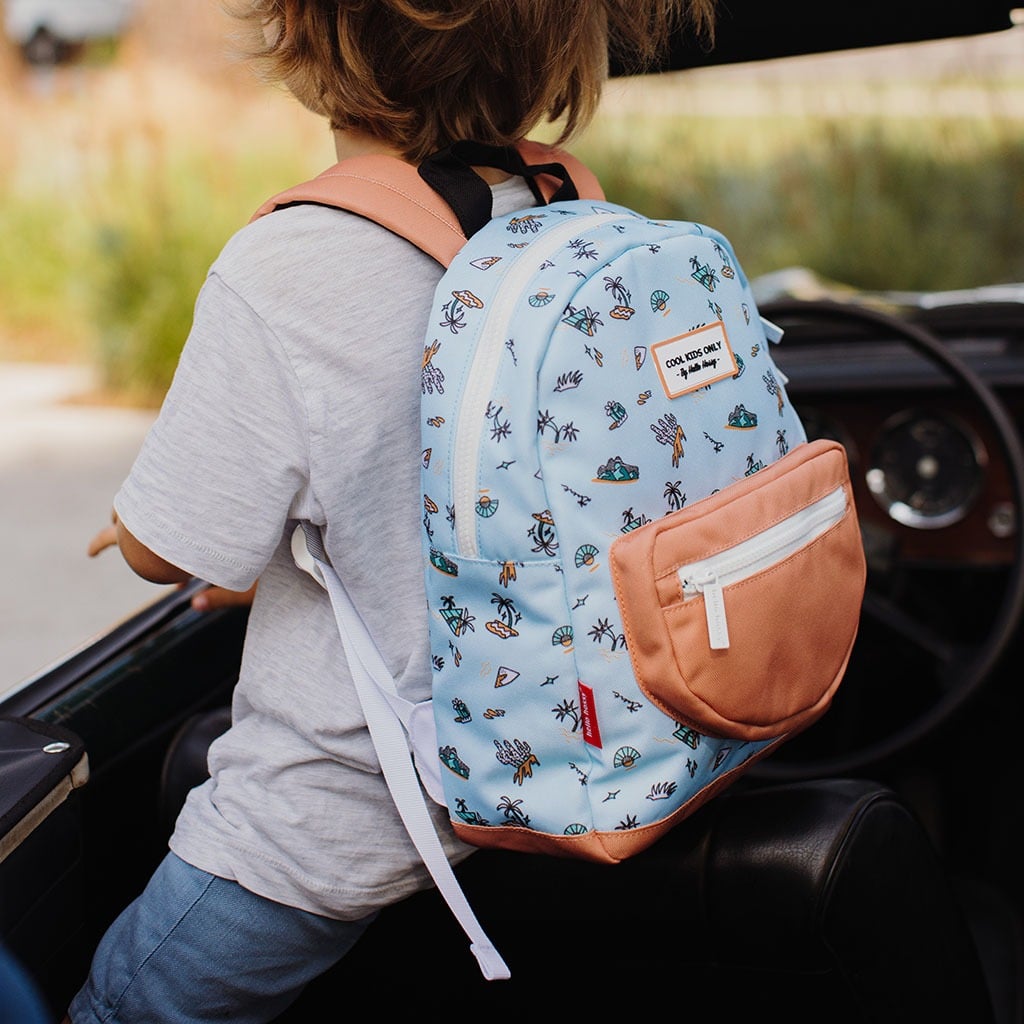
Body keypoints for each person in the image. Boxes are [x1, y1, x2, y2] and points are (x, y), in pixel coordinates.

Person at [65, 2, 716, 1021]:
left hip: (337, 815)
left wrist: (134, 523)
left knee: (119, 1003)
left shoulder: (289, 265)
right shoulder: (558, 202)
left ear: (309, 42)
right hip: (567, 750)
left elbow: (168, 544)